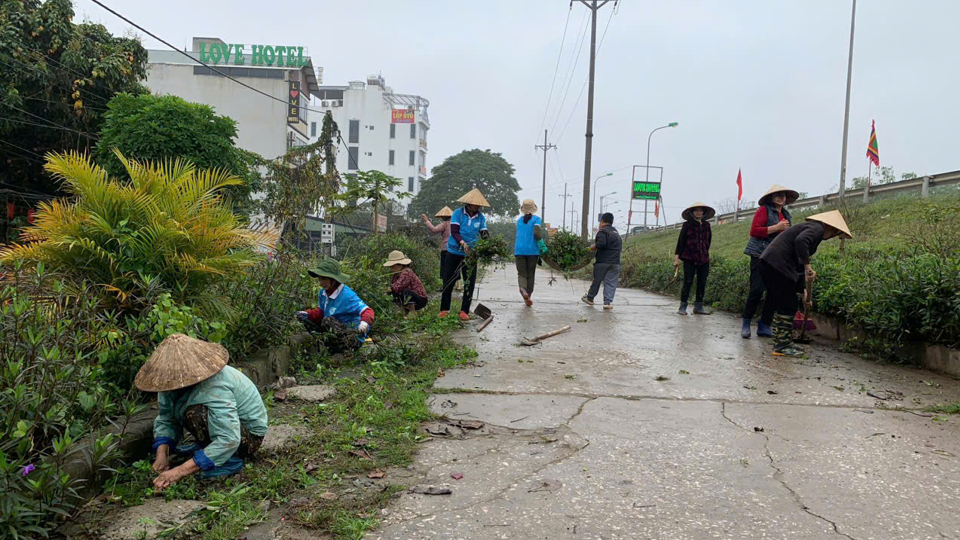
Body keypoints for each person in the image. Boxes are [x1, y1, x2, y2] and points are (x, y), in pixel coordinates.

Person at [137, 334, 268, 490]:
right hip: (226, 430)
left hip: (246, 437)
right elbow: (166, 418)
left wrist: (179, 471)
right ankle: (206, 449)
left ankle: (230, 460)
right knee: (189, 411)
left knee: (196, 412)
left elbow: (229, 438)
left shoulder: (214, 385)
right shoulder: (168, 384)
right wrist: (162, 455)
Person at [760, 210, 851, 357]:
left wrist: (804, 291)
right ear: (832, 228)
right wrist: (808, 265)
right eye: (836, 233)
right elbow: (800, 242)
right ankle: (781, 346)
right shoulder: (817, 227)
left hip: (773, 265)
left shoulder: (813, 230)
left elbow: (797, 264)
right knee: (787, 304)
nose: (832, 237)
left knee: (787, 304)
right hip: (777, 265)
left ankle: (783, 343)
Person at [740, 185, 798, 338]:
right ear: (771, 198)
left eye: (783, 195)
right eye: (777, 195)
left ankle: (764, 324)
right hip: (759, 254)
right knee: (756, 290)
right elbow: (754, 231)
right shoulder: (763, 211)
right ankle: (746, 323)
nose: (780, 197)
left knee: (774, 292)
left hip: (777, 258)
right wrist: (776, 227)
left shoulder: (786, 215)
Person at [295, 258, 375, 352]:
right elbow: (321, 311)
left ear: (333, 279)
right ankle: (327, 347)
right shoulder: (323, 293)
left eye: (324, 279)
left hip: (351, 338)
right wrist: (307, 314)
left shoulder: (347, 295)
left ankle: (343, 350)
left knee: (327, 320)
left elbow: (368, 311)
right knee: (306, 320)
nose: (320, 283)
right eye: (319, 279)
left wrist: (364, 323)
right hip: (334, 332)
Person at [440, 188, 490, 321]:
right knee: (449, 280)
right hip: (454, 251)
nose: (478, 207)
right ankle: (444, 309)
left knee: (469, 282)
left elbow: (484, 233)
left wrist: (490, 245)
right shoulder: (458, 213)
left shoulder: (480, 217)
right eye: (476, 204)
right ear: (469, 204)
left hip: (471, 254)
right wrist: (462, 243)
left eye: (479, 205)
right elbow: (455, 232)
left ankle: (464, 311)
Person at [674, 202, 715, 315]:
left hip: (703, 258)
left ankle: (698, 306)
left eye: (700, 210)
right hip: (689, 258)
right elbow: (680, 242)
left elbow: (708, 241)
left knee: (702, 282)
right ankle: (682, 307)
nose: (698, 212)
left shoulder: (707, 225)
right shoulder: (687, 225)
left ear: (703, 212)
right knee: (688, 281)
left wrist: (704, 252)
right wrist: (676, 258)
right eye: (696, 210)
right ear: (692, 213)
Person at [581, 212, 622, 310]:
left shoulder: (603, 232)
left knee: (597, 280)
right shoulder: (616, 233)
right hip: (615, 262)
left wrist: (591, 248)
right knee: (611, 282)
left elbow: (601, 244)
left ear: (602, 221)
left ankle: (590, 298)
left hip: (603, 261)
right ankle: (607, 302)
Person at [514, 199, 544, 307]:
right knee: (530, 274)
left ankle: (523, 290)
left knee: (522, 274)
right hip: (532, 251)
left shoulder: (519, 221)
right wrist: (542, 245)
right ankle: (529, 296)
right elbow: (536, 233)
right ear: (533, 209)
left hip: (519, 251)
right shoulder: (537, 219)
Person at [384, 250, 428, 318]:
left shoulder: (407, 272)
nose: (391, 268)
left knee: (405, 291)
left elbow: (397, 286)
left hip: (420, 300)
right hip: (411, 297)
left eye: (392, 266)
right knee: (393, 294)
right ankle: (403, 311)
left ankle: (411, 313)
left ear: (400, 264)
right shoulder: (396, 274)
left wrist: (387, 290)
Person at [421, 207, 453, 282]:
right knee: (453, 267)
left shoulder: (445, 224)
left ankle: (445, 285)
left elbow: (434, 229)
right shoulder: (455, 224)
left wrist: (426, 220)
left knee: (444, 268)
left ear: (444, 216)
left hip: (446, 248)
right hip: (454, 249)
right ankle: (456, 285)